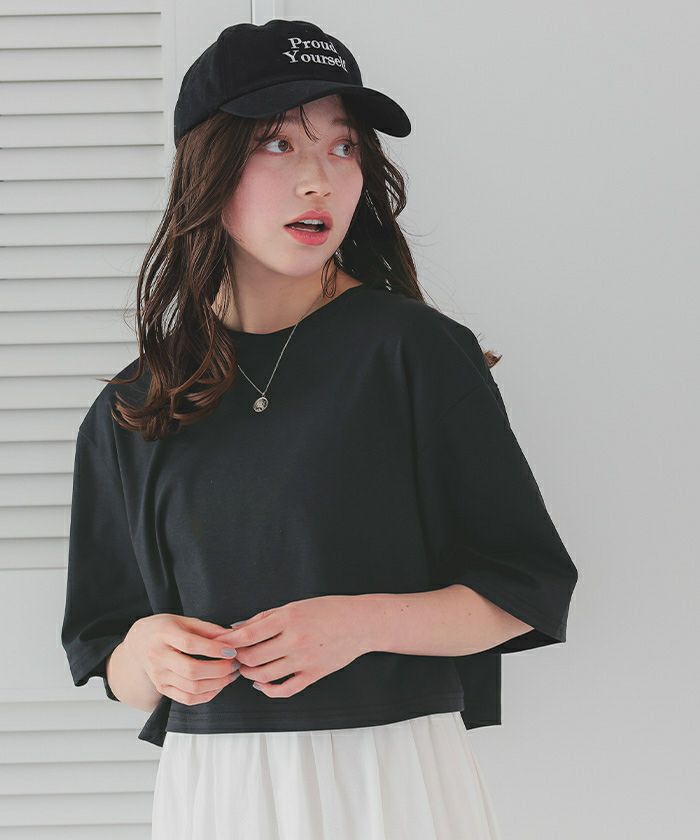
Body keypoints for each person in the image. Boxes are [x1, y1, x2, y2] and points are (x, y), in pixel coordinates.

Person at [61, 18, 579, 840]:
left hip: (392, 781)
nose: (319, 181)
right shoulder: (137, 406)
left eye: (343, 148)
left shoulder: (415, 354)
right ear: (207, 167)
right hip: (215, 794)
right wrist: (149, 655)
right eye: (277, 144)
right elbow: (111, 657)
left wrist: (358, 624)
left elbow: (528, 588)